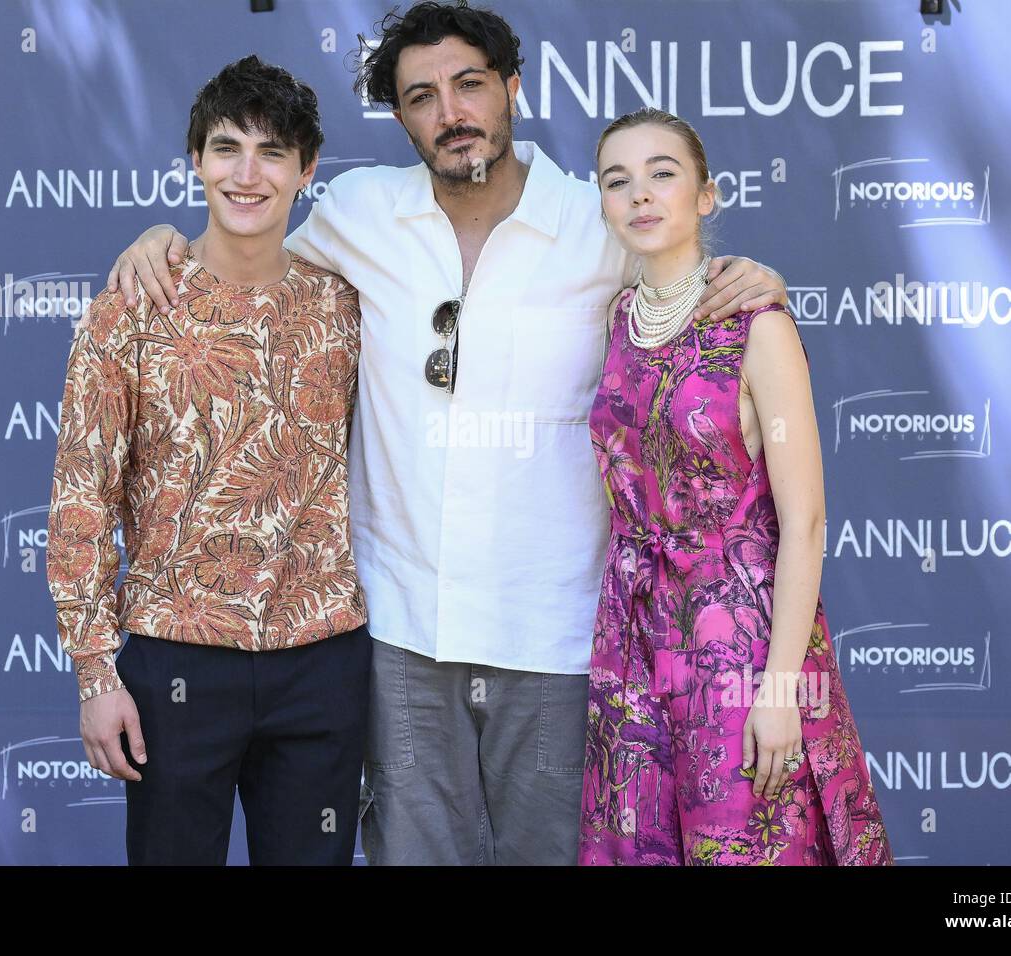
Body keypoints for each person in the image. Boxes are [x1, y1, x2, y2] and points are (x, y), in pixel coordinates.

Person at [107, 1, 789, 865]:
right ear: (401, 118)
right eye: (421, 96)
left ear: (511, 87)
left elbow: (689, 279)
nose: (450, 112)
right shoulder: (358, 212)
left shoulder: (597, 223)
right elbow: (247, 252)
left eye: (469, 85)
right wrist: (164, 238)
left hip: (555, 635)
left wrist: (753, 275)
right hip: (398, 639)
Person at [46, 55, 370, 865]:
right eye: (227, 149)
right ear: (195, 160)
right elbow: (81, 501)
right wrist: (96, 677)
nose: (247, 174)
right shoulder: (130, 310)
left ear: (308, 167)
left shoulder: (347, 306)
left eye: (272, 152)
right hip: (173, 665)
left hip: (321, 658)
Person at [579, 108, 894, 865]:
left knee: (746, 845)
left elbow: (806, 521)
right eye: (618, 181)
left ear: (708, 195)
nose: (641, 195)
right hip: (633, 634)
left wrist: (782, 690)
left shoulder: (757, 323)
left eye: (663, 174)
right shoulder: (618, 316)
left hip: (739, 641)